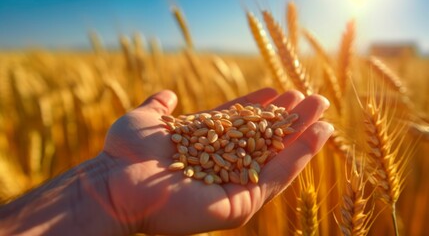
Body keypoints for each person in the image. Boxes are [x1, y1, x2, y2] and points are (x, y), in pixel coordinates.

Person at [0, 88, 333, 235]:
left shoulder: (220, 143)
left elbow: (221, 146)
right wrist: (108, 184)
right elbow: (214, 147)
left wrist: (106, 180)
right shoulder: (198, 144)